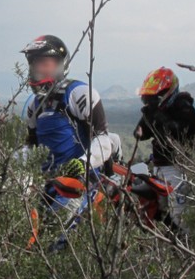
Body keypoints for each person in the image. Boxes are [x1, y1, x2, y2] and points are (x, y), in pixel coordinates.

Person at [21, 34, 120, 176]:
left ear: (61, 64)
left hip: (81, 182)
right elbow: (31, 146)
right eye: (35, 64)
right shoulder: (34, 106)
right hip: (46, 184)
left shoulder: (80, 94)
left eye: (44, 64)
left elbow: (102, 138)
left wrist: (83, 163)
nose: (38, 70)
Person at [133, 67, 195, 222]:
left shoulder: (184, 108)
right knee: (158, 213)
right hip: (159, 168)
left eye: (152, 99)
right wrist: (149, 116)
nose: (149, 102)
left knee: (179, 217)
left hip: (178, 168)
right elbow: (138, 134)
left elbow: (181, 133)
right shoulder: (157, 111)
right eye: (146, 99)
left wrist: (158, 116)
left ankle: (182, 243)